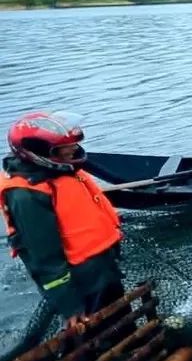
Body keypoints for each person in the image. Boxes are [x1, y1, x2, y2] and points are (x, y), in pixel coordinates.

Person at [1, 111, 126, 332]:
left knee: (121, 322)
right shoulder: (25, 194)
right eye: (63, 148)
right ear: (39, 153)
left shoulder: (64, 171)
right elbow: (43, 256)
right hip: (83, 280)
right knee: (99, 335)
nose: (73, 150)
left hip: (101, 265)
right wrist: (69, 305)